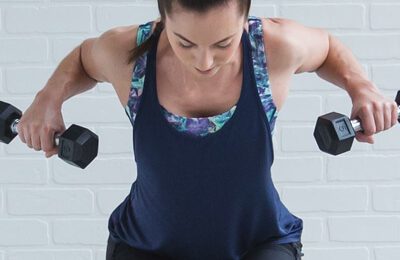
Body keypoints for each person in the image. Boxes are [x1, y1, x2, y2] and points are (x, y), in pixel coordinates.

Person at [15, 0, 398, 259]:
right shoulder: (128, 54)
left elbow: (328, 47)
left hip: (258, 243)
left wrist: (361, 87)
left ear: (244, 19)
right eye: (185, 42)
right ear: (164, 17)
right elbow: (84, 58)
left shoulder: (274, 47)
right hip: (145, 245)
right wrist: (48, 98)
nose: (203, 60)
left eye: (223, 43)